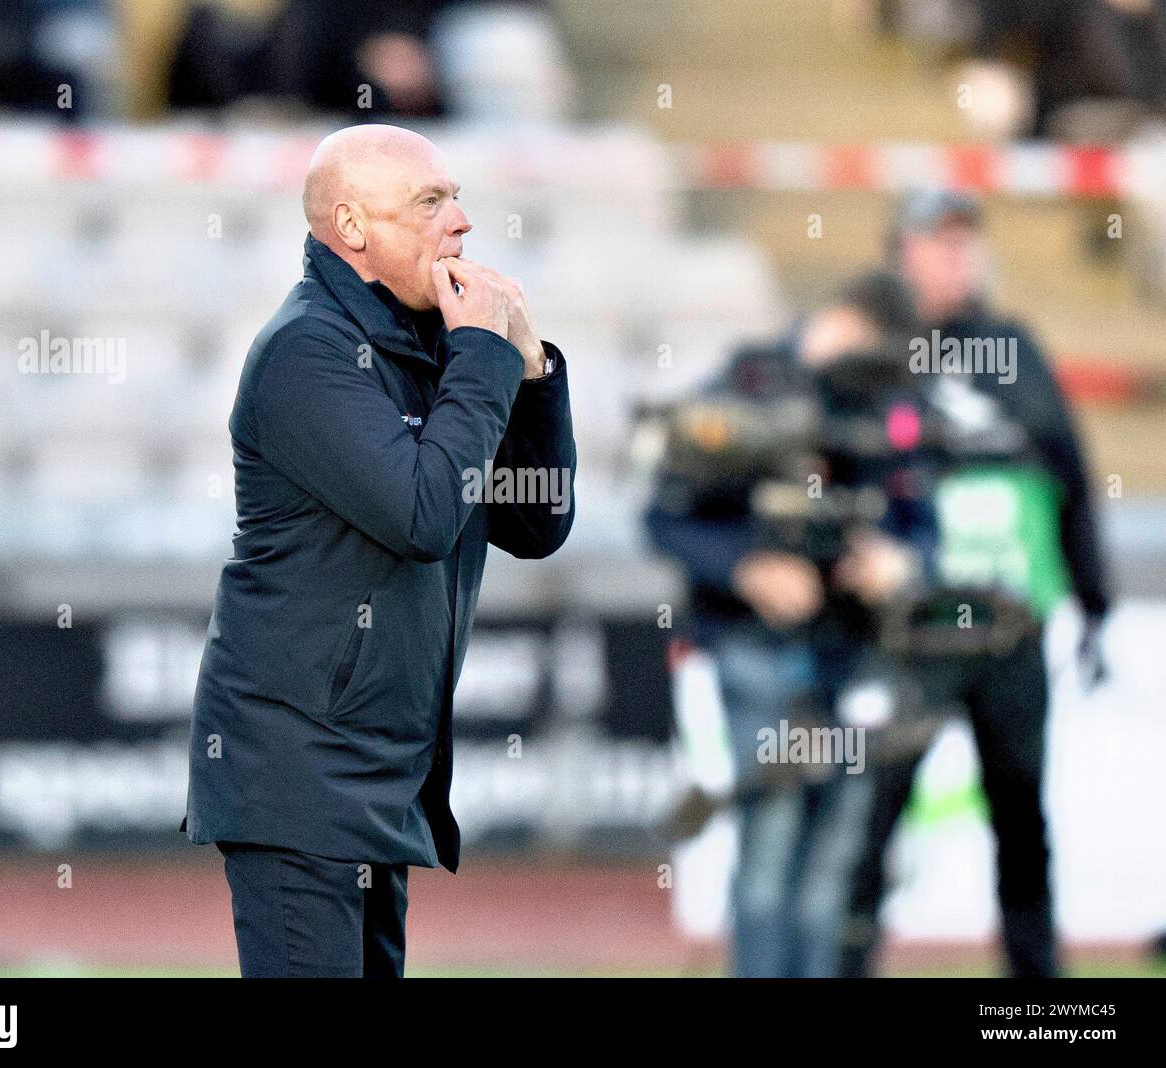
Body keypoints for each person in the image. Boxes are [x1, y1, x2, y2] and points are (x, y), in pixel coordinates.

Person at [180, 124, 576, 977]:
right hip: (298, 773)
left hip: (376, 772)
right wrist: (480, 355)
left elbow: (534, 523)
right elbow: (423, 515)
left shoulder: (426, 339)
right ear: (352, 227)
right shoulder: (306, 350)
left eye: (457, 197)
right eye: (431, 203)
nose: (462, 222)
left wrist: (532, 367)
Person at [839, 188, 1113, 978]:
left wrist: (1092, 602)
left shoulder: (1016, 347)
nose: (958, 256)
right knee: (874, 818)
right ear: (901, 252)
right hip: (907, 634)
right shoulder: (873, 347)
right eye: (938, 241)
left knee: (1023, 821)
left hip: (1010, 630)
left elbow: (1071, 476)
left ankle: (1037, 1000)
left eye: (967, 240)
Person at [646, 273, 929, 977]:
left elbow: (922, 524)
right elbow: (665, 514)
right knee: (768, 855)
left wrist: (899, 562)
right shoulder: (747, 384)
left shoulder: (887, 402)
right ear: (842, 321)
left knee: (837, 860)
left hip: (855, 656)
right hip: (756, 651)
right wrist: (748, 568)